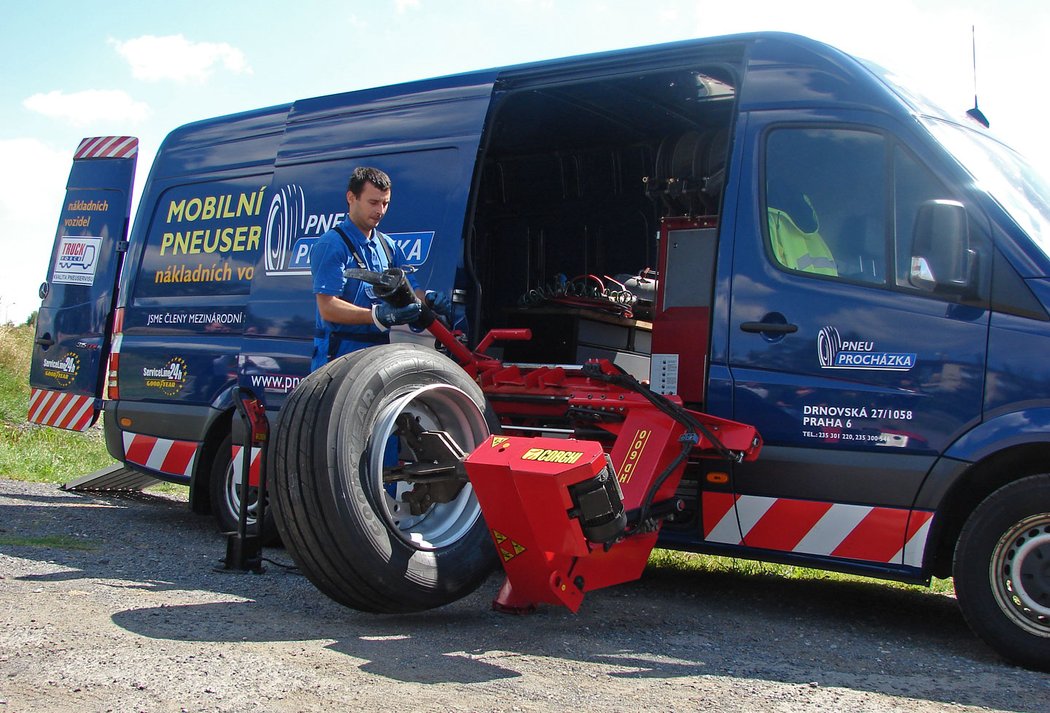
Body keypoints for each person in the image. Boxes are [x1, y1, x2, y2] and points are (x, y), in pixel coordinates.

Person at [310, 166, 449, 371]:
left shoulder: (388, 247)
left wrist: (427, 298)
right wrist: (377, 316)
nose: (380, 211)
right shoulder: (332, 244)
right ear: (351, 197)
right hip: (338, 359)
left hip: (377, 357)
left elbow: (411, 293)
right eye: (373, 202)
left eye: (385, 203)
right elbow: (328, 308)